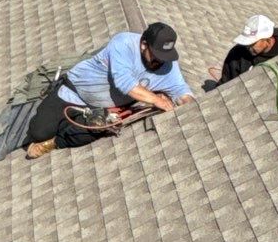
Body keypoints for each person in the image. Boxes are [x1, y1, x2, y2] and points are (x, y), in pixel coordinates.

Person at [26, 21, 193, 154]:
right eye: (156, 56)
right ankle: (61, 124)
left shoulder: (169, 65)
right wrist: (157, 99)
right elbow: (125, 83)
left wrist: (189, 105)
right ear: (143, 44)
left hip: (102, 108)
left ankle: (55, 143)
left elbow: (181, 89)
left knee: (96, 126)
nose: (161, 61)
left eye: (165, 57)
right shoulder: (124, 43)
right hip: (73, 92)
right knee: (38, 132)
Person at [210, 13, 278, 87]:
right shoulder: (236, 55)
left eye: (252, 43)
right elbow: (225, 84)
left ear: (267, 40)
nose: (248, 47)